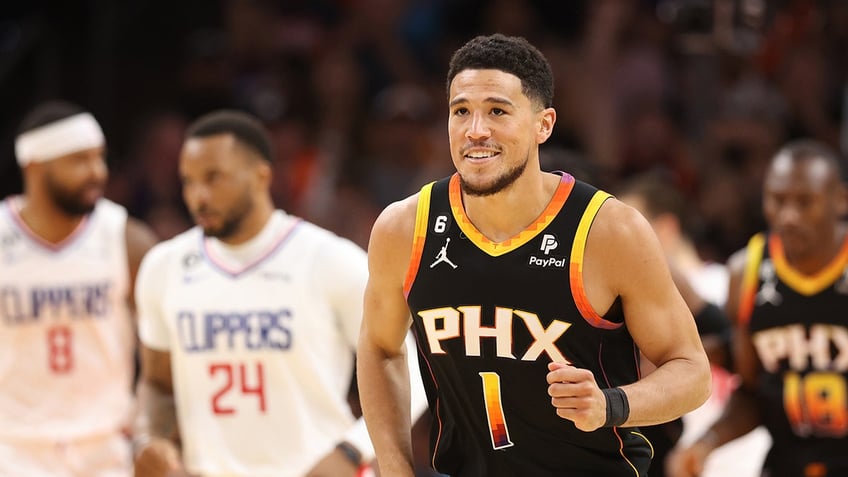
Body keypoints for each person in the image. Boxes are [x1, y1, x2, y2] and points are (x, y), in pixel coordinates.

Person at [356, 33, 712, 477]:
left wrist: (610, 404)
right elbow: (379, 346)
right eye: (461, 111)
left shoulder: (608, 230)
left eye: (497, 111)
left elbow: (692, 372)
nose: (475, 130)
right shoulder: (404, 228)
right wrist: (394, 467)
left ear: (543, 124)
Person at [132, 109, 426, 477]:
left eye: (214, 178)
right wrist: (148, 438)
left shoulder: (328, 259)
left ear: (261, 176)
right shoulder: (164, 267)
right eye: (188, 182)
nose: (198, 196)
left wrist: (353, 451)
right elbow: (157, 383)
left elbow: (413, 369)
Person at [667, 139, 848, 477]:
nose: (789, 216)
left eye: (805, 202)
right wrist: (706, 442)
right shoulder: (746, 272)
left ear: (841, 200)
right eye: (777, 201)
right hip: (787, 463)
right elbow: (752, 393)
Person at [0, 100, 158, 476]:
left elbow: (164, 350)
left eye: (100, 158)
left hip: (105, 446)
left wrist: (148, 426)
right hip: (14, 446)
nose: (97, 173)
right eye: (80, 161)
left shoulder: (126, 239)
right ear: (35, 167)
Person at [617, 173, 771, 477]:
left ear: (665, 229)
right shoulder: (636, 304)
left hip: (744, 455)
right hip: (690, 459)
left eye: (628, 228)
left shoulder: (728, 282)